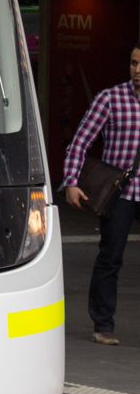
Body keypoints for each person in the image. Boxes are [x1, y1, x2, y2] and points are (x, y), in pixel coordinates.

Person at [63, 43, 140, 346]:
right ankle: (103, 324)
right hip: (120, 193)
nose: (138, 70)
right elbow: (80, 142)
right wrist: (71, 181)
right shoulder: (110, 99)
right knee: (110, 258)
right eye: (134, 63)